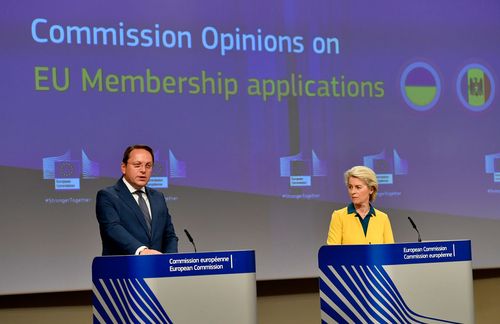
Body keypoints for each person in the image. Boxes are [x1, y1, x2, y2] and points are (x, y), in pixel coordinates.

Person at [96, 144, 178, 255]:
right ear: (123, 167)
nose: (143, 170)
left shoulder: (158, 197)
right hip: (123, 269)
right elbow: (112, 229)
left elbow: (169, 235)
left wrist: (169, 260)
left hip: (156, 269)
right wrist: (141, 251)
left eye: (148, 166)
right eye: (137, 165)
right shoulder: (107, 196)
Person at [327, 166, 394, 245]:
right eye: (350, 187)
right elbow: (332, 253)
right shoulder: (339, 216)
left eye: (358, 187)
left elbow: (390, 252)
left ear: (371, 189)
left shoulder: (382, 218)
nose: (353, 192)